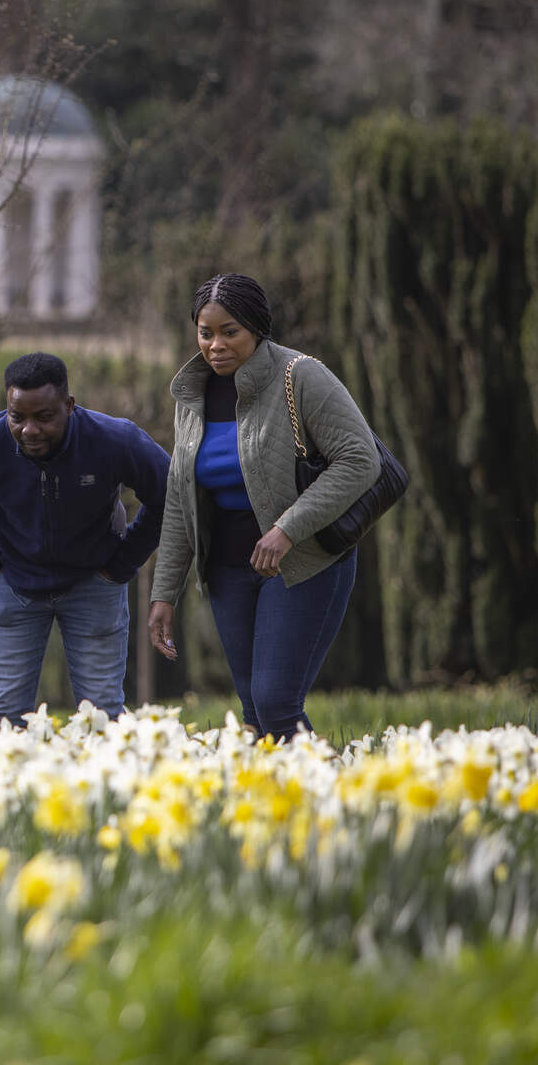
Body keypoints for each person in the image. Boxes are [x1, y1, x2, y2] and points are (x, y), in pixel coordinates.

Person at [145, 273, 378, 741]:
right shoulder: (191, 395)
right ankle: (287, 806)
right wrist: (163, 593)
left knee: (275, 702)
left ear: (257, 327)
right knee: (255, 712)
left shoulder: (301, 376)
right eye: (205, 332)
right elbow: (179, 497)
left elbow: (360, 459)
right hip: (229, 570)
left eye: (230, 332)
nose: (215, 345)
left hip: (303, 561)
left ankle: (334, 797)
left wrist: (287, 528)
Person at [0, 352, 170, 731]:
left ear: (69, 405)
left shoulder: (114, 440)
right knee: (4, 720)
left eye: (44, 417)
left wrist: (122, 563)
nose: (29, 430)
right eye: (17, 417)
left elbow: (170, 491)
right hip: (13, 585)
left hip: (93, 584)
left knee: (103, 718)